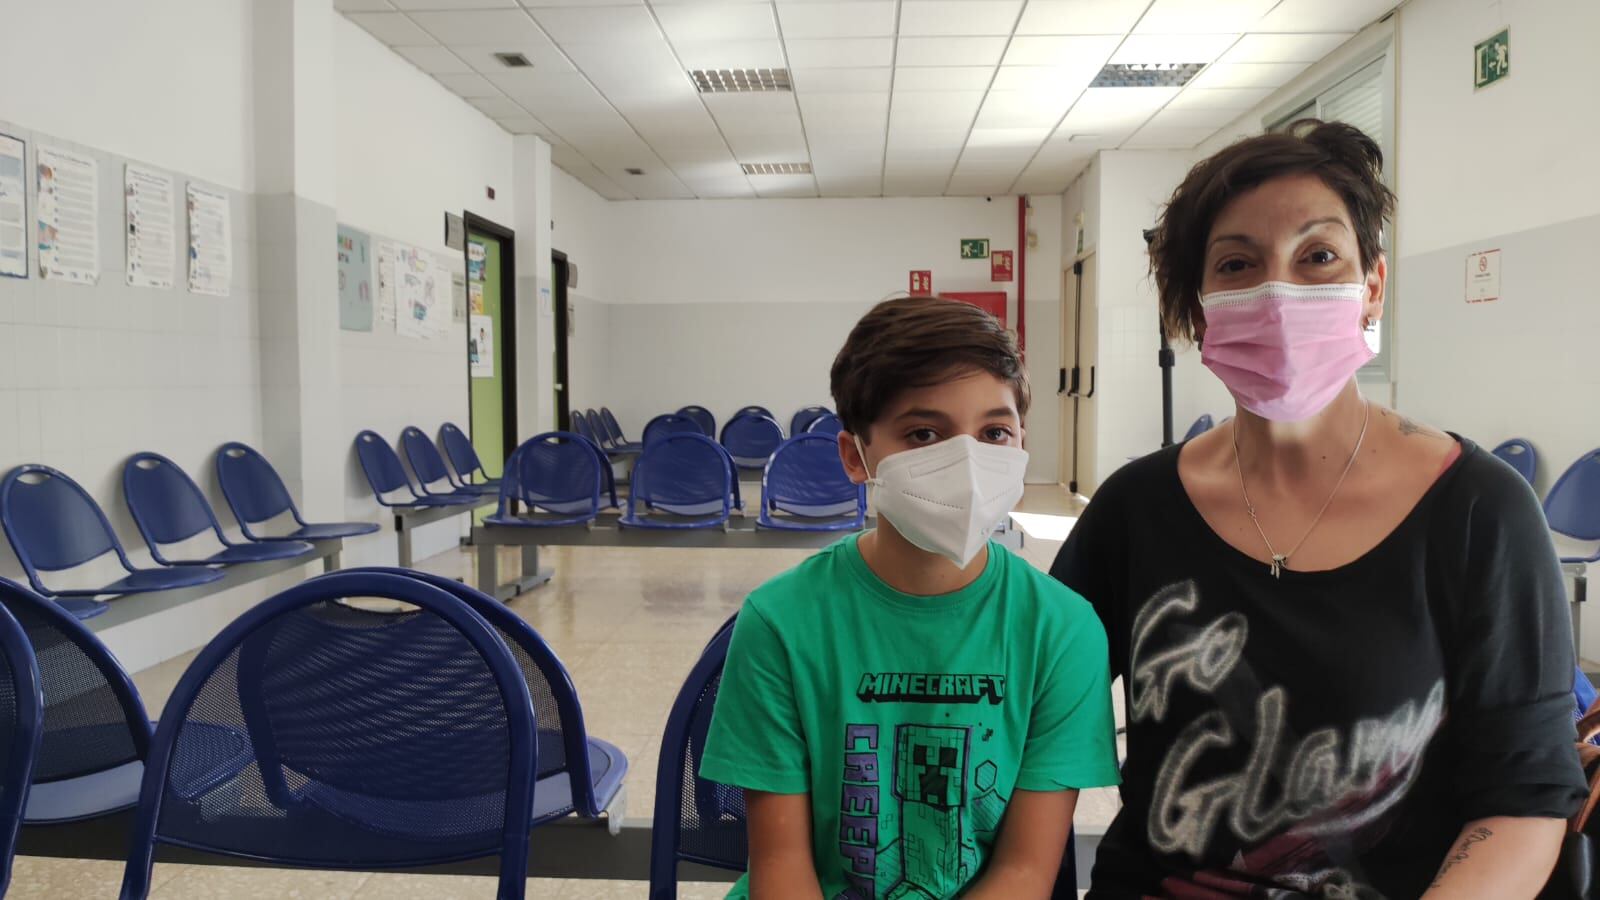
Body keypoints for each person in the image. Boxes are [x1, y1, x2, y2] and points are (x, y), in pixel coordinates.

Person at [1051, 119, 1586, 898]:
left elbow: (1525, 797)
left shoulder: (1478, 513)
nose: (1279, 292)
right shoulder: (1135, 509)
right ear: (1197, 312)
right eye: (1238, 264)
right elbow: (1036, 717)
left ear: (1372, 284)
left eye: (1318, 257)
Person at [701, 296, 1121, 899]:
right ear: (855, 456)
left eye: (994, 431)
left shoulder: (1062, 631)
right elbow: (783, 867)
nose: (969, 461)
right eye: (924, 433)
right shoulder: (782, 621)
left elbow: (1026, 872)